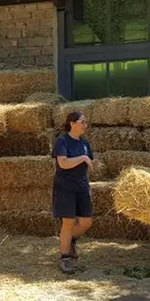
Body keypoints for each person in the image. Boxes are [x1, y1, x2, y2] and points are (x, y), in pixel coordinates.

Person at [52, 111, 94, 275]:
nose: (85, 125)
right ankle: (64, 258)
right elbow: (63, 163)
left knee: (86, 222)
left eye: (85, 122)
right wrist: (82, 158)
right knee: (68, 223)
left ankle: (70, 241)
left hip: (82, 186)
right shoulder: (62, 141)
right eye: (82, 122)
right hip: (65, 187)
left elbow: (88, 164)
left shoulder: (84, 144)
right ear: (72, 123)